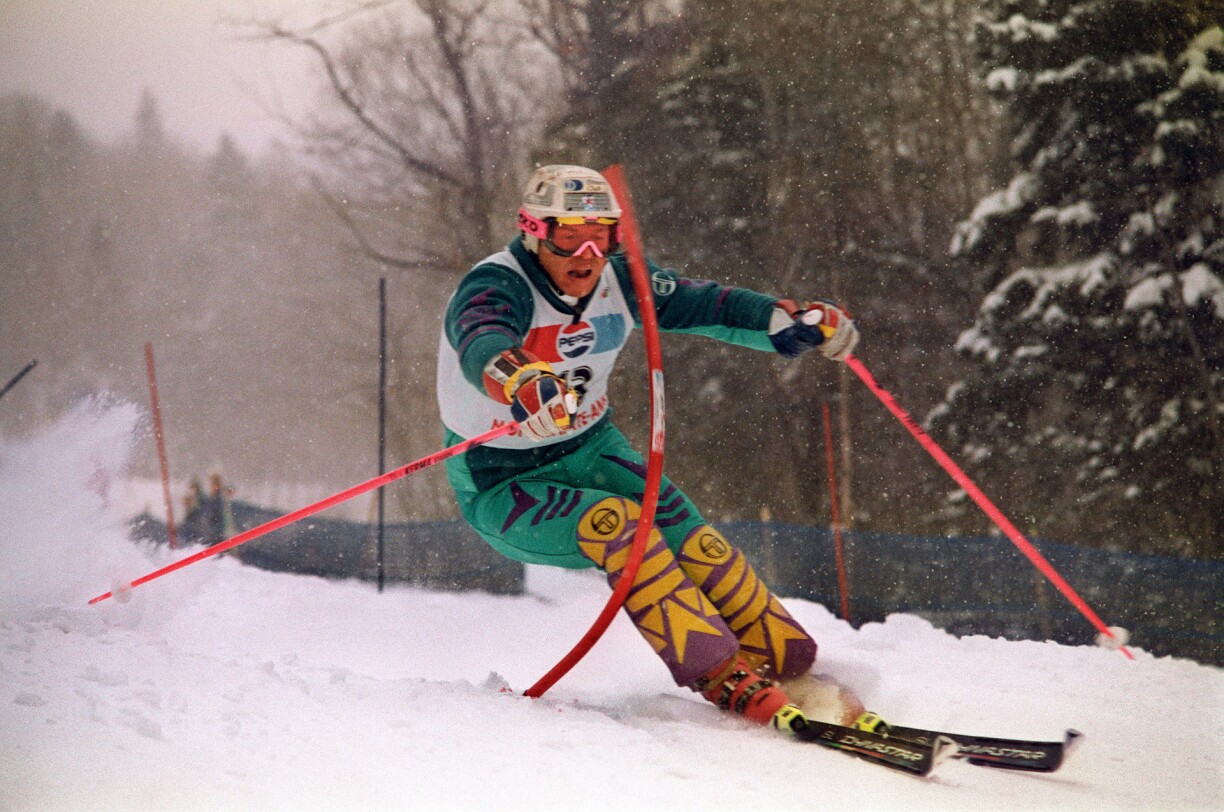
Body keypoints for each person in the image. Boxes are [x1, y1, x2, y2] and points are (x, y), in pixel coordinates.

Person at [437, 165, 867, 732]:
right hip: (503, 477)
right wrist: (519, 378)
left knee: (678, 522)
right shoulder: (499, 283)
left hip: (590, 446)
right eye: (569, 235)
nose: (587, 253)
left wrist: (787, 321)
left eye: (602, 235)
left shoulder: (618, 277)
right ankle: (721, 674)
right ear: (534, 231)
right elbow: (482, 335)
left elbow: (702, 303)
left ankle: (790, 663)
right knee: (617, 524)